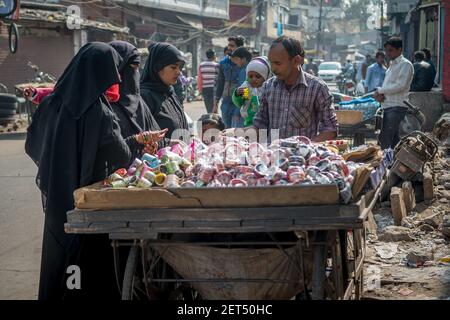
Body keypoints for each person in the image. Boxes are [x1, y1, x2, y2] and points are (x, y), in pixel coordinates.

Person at [25, 42, 166, 300]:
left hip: (58, 192)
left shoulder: (50, 103)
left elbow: (32, 145)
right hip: (86, 200)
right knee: (86, 260)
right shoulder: (100, 111)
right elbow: (120, 154)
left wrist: (59, 166)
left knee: (60, 255)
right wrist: (138, 140)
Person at [241, 36, 337, 142]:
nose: (273, 69)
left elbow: (330, 130)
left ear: (296, 61)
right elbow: (260, 126)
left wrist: (308, 147)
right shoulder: (268, 87)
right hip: (273, 155)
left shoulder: (317, 88)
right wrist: (236, 134)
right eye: (271, 62)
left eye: (278, 63)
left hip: (302, 157)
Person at [108, 40, 168, 159]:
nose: (135, 73)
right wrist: (137, 141)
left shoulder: (138, 101)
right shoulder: (105, 104)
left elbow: (156, 137)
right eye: (132, 67)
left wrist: (149, 146)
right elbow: (108, 151)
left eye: (137, 68)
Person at [140, 42, 191, 143]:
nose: (178, 72)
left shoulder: (170, 92)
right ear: (158, 67)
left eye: (179, 67)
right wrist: (168, 143)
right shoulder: (145, 96)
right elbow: (142, 138)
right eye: (173, 67)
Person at [373, 37, 414, 149]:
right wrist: (381, 95)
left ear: (400, 49)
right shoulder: (392, 65)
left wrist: (381, 90)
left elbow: (401, 86)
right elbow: (389, 86)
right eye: (386, 50)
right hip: (388, 105)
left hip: (397, 106)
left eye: (390, 50)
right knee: (394, 139)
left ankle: (384, 163)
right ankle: (397, 163)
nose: (387, 53)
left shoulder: (406, 64)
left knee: (384, 138)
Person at [214, 36, 245, 128]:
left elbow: (247, 86)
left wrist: (245, 104)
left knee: (237, 132)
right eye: (228, 45)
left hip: (239, 104)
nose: (229, 48)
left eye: (232, 46)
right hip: (226, 103)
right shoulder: (223, 63)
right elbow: (220, 83)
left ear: (239, 47)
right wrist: (216, 103)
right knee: (226, 131)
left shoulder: (244, 63)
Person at [232, 56, 272, 126]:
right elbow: (239, 103)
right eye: (250, 76)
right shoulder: (247, 88)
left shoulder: (269, 88)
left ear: (265, 77)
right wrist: (237, 95)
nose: (254, 79)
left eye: (257, 76)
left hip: (266, 124)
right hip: (249, 123)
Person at [198, 49, 219, 113]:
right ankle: (213, 120)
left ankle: (210, 118)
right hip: (214, 88)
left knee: (208, 106)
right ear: (213, 55)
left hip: (205, 89)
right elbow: (218, 79)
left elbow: (199, 79)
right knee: (214, 106)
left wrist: (200, 90)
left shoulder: (201, 65)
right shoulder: (216, 65)